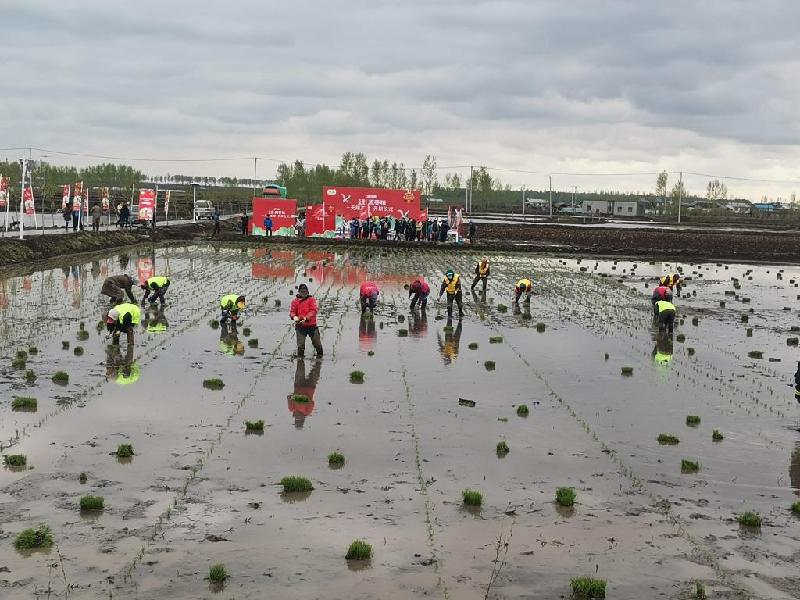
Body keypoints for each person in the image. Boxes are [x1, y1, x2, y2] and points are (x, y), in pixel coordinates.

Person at [290, 283, 323, 357]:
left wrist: (306, 318)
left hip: (311, 325)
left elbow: (313, 311)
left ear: (307, 292)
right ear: (299, 292)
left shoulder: (311, 300)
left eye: (305, 291)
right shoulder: (295, 301)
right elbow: (292, 312)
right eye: (302, 291)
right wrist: (294, 317)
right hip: (300, 326)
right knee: (301, 345)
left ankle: (320, 358)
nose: (303, 293)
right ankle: (300, 361)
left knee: (317, 344)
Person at [288, 358, 322, 429]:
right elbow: (311, 401)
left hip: (298, 385)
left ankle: (300, 356)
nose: (298, 417)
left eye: (297, 420)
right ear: (303, 419)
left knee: (300, 365)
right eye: (299, 420)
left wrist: (294, 397)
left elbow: (289, 397)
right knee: (317, 367)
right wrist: (300, 398)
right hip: (310, 386)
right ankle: (319, 357)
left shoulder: (292, 409)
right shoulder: (308, 411)